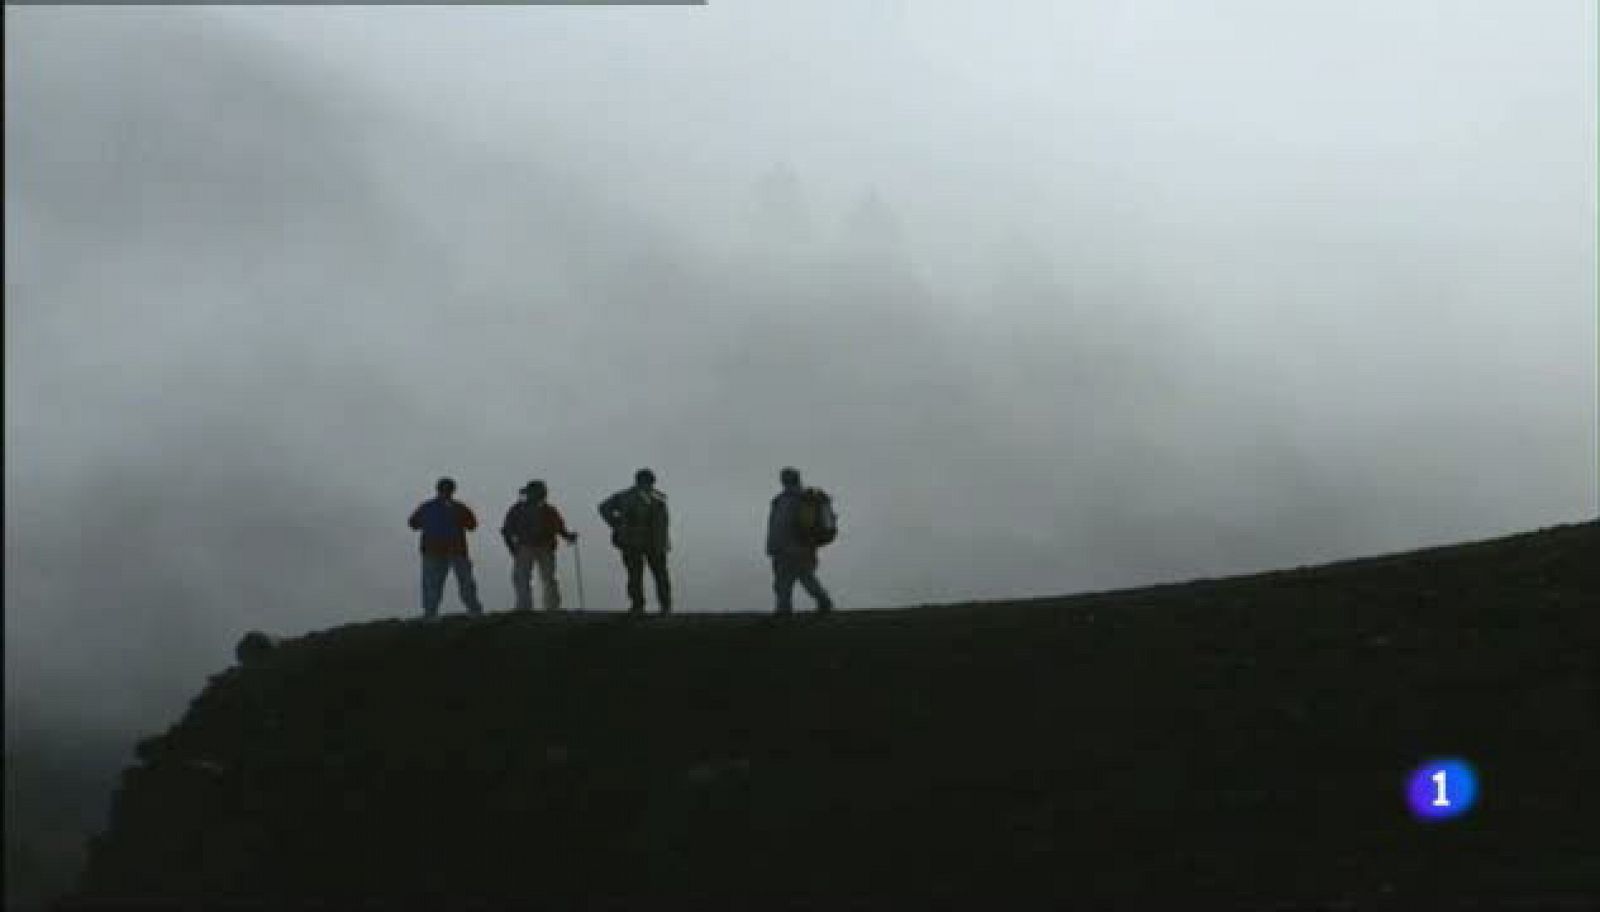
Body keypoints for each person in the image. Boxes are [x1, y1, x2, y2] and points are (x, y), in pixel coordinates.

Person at [407, 476, 485, 620]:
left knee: (437, 583)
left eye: (446, 489)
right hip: (448, 550)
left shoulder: (429, 506)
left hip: (442, 550)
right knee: (457, 582)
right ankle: (473, 611)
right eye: (445, 489)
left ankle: (432, 614)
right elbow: (472, 525)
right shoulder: (456, 507)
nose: (446, 492)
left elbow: (413, 523)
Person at [598, 468, 672, 615]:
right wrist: (616, 523)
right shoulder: (626, 496)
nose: (648, 484)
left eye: (649, 481)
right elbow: (604, 507)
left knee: (659, 575)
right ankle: (639, 605)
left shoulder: (658, 498)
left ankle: (663, 606)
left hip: (653, 542)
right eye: (646, 481)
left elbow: (663, 523)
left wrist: (664, 542)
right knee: (636, 575)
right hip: (632, 541)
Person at [501, 479, 578, 612]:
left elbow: (559, 527)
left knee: (540, 577)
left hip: (539, 547)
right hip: (530, 547)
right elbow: (507, 530)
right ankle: (531, 606)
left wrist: (567, 535)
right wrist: (512, 548)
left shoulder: (530, 509)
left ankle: (541, 606)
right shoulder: (522, 509)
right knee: (531, 577)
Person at [766, 466, 833, 615]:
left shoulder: (796, 500)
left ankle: (784, 611)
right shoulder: (784, 500)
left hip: (794, 548)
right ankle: (822, 602)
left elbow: (777, 526)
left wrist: (772, 547)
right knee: (801, 579)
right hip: (794, 549)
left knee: (788, 582)